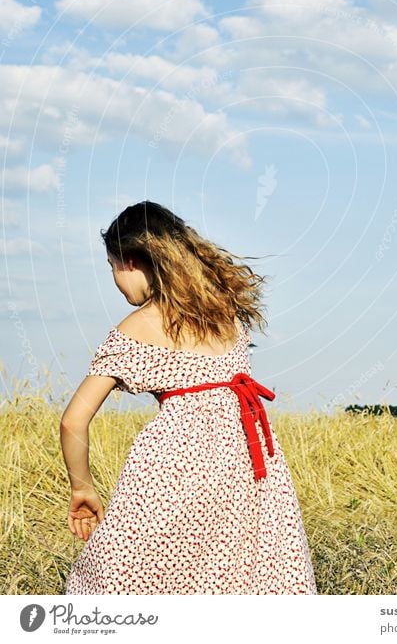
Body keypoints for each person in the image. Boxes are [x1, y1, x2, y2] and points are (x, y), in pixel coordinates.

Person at [60, 201, 317, 595]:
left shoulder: (136, 328)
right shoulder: (226, 312)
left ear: (130, 261)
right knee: (238, 575)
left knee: (126, 578)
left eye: (110, 266)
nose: (114, 278)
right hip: (248, 463)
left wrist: (82, 488)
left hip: (172, 468)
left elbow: (73, 420)